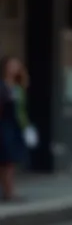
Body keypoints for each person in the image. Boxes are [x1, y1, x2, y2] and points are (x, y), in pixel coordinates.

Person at [0, 56, 31, 202]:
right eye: (11, 65)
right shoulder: (2, 86)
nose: (14, 68)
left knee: (10, 161)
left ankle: (9, 190)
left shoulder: (19, 87)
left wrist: (26, 127)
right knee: (6, 160)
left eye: (16, 65)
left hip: (15, 126)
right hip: (4, 125)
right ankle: (8, 191)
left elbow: (21, 110)